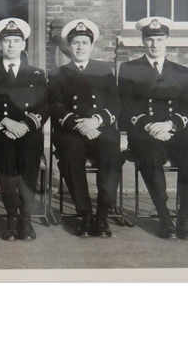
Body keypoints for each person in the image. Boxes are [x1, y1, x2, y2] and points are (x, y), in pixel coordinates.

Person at [118, 17, 188, 239]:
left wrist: (170, 124)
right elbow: (125, 107)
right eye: (150, 39)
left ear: (167, 40)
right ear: (142, 41)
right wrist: (149, 125)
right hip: (144, 131)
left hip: (174, 129)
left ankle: (184, 215)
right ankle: (164, 214)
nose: (154, 44)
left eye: (159, 39)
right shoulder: (129, 69)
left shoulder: (179, 71)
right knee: (150, 154)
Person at [48, 19, 124, 237]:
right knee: (70, 154)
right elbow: (56, 105)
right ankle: (85, 214)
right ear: (68, 47)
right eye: (75, 43)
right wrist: (78, 125)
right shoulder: (58, 74)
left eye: (84, 42)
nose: (80, 47)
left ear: (92, 46)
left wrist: (97, 121)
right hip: (71, 131)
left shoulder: (104, 71)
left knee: (112, 153)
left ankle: (102, 214)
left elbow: (115, 104)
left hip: (99, 127)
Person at [0, 18, 49, 241]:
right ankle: (11, 216)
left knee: (28, 155)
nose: (11, 45)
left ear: (23, 45)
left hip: (28, 131)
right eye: (6, 41)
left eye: (16, 41)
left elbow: (44, 107)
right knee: (6, 155)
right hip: (0, 132)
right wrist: (5, 123)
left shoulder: (36, 75)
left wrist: (25, 125)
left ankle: (25, 216)